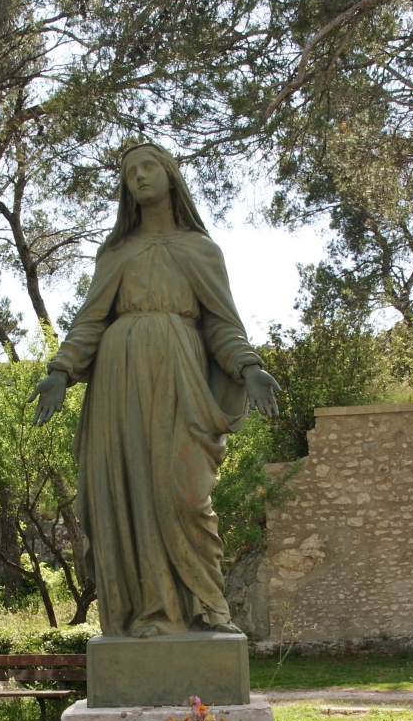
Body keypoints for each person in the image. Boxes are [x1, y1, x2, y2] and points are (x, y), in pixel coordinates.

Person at [30, 142, 280, 638]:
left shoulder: (200, 250)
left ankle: (207, 610)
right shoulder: (118, 252)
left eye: (149, 168)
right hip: (118, 387)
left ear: (170, 176)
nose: (139, 177)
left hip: (179, 381)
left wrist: (247, 366)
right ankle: (147, 614)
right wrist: (60, 370)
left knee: (185, 495)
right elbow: (91, 321)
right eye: (130, 172)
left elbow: (221, 326)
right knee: (129, 494)